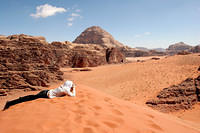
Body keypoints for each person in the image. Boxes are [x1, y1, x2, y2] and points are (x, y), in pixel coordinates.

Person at [3, 80, 76, 111]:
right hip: (45, 94)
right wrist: (74, 88)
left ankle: (12, 102)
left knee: (30, 97)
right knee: (29, 98)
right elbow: (73, 95)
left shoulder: (63, 87)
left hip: (46, 91)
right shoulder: (66, 90)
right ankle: (10, 103)